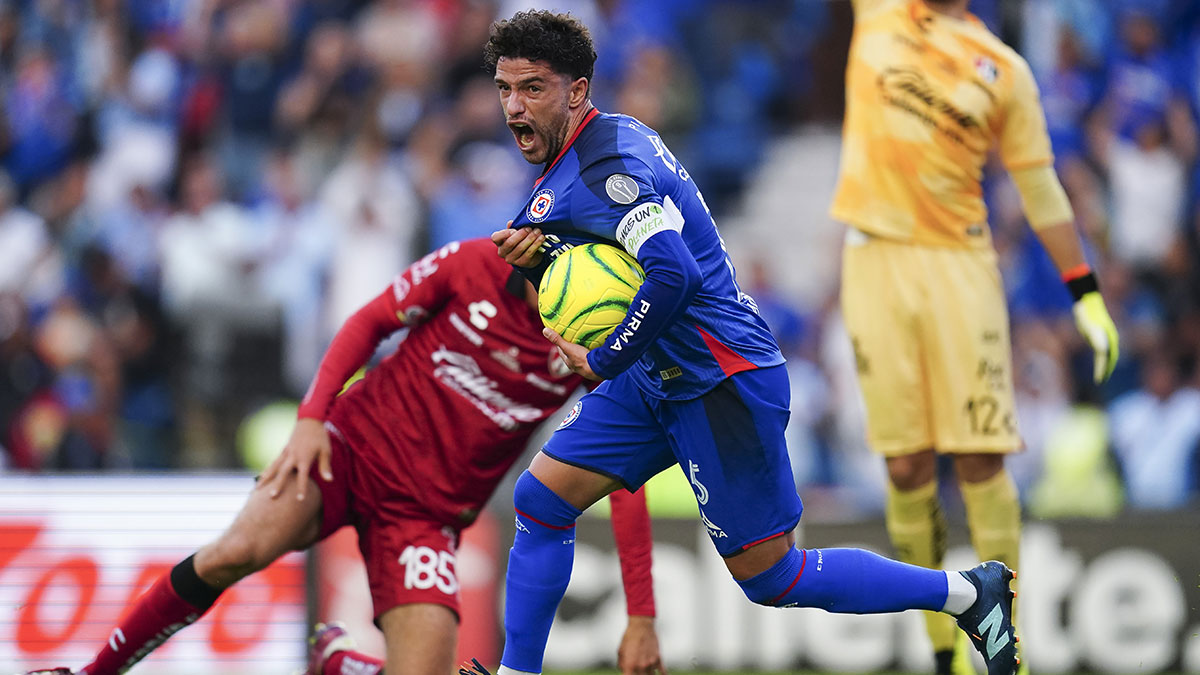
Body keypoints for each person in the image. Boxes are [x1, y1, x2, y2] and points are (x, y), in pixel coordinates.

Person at [485, 10, 1019, 675]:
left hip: (719, 378)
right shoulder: (581, 156)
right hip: (659, 377)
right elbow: (591, 270)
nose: (513, 106)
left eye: (531, 88)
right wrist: (538, 264)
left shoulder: (609, 167)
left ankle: (968, 592)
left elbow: (672, 271)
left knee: (772, 578)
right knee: (541, 497)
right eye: (505, 89)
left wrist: (603, 357)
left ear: (577, 90)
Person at [26, 238, 664, 675]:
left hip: (425, 517)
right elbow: (370, 321)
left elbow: (616, 471)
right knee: (236, 552)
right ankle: (90, 670)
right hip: (350, 450)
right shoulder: (472, 264)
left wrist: (640, 614)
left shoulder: (586, 340)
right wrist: (311, 420)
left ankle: (344, 664)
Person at [829, 1, 1120, 673]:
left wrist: (1085, 289)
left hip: (960, 265)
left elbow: (1039, 185)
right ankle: (937, 647)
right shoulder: (877, 11)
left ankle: (998, 645)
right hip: (873, 258)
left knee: (980, 458)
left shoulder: (1006, 71)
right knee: (904, 464)